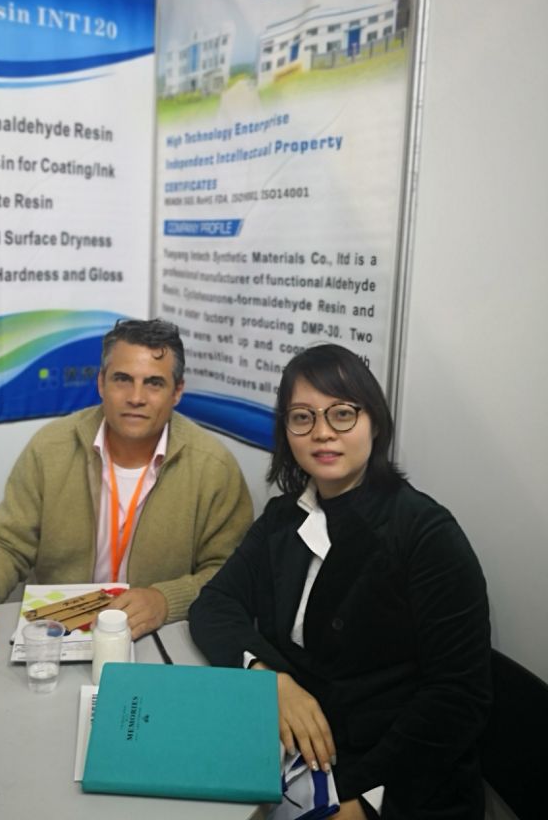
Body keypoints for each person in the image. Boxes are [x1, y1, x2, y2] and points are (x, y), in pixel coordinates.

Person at [189, 344, 491, 820]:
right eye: (302, 417)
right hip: (298, 757)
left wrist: (360, 797)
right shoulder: (283, 518)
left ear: (375, 423)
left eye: (342, 414)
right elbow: (213, 605)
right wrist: (270, 679)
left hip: (398, 781)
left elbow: (457, 697)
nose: (323, 432)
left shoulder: (425, 534)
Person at [0, 318, 252, 667]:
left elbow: (230, 574)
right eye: (122, 379)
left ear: (177, 392)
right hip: (58, 640)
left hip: (157, 641)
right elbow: (6, 544)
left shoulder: (214, 467)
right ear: (101, 383)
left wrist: (165, 600)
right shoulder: (51, 448)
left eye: (154, 383)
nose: (136, 398)